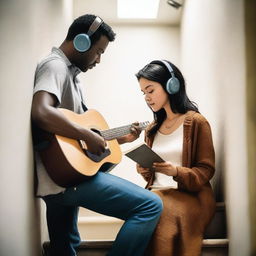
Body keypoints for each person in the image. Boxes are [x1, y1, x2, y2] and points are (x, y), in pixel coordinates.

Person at [31, 14, 163, 256]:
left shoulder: (72, 76)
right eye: (99, 51)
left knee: (65, 248)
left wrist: (118, 138)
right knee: (150, 205)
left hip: (62, 176)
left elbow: (77, 137)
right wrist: (87, 134)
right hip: (67, 180)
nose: (99, 60)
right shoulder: (55, 65)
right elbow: (41, 112)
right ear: (81, 42)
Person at [136, 60, 216, 256]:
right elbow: (154, 177)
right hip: (156, 193)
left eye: (150, 90)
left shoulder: (196, 122)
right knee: (142, 204)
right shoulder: (151, 130)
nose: (146, 97)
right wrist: (145, 170)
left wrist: (176, 172)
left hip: (190, 196)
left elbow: (206, 170)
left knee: (155, 207)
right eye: (143, 93)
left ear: (171, 85)